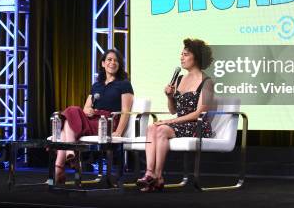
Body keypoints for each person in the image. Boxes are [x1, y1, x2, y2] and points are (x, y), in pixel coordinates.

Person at [136, 38, 215, 192]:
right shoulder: (179, 79)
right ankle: (149, 173)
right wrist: (169, 96)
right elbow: (173, 109)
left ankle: (158, 176)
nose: (181, 58)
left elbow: (199, 113)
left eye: (185, 54)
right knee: (152, 127)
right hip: (180, 122)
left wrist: (171, 121)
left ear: (196, 58)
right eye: (181, 54)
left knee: (161, 129)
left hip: (198, 125)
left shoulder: (207, 82)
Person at [53, 49, 134, 184]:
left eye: (116, 60)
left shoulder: (124, 84)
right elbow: (85, 108)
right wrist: (89, 111)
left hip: (107, 121)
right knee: (72, 113)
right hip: (92, 119)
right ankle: (67, 157)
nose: (112, 62)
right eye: (109, 59)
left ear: (119, 65)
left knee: (68, 118)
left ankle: (61, 166)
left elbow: (126, 110)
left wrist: (119, 131)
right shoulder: (96, 85)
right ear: (103, 63)